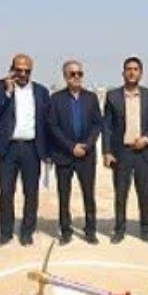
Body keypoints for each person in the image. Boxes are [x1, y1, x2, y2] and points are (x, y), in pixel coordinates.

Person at [0, 54, 51, 247]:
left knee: (31, 193)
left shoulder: (41, 91)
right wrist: (7, 92)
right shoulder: (0, 87)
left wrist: (48, 152)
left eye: (27, 71)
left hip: (32, 148)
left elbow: (46, 123)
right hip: (8, 149)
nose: (22, 74)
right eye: (19, 70)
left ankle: (27, 232)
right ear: (12, 69)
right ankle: (6, 232)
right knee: (6, 192)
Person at [47, 60, 103, 245]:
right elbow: (53, 127)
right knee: (64, 195)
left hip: (86, 155)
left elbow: (97, 124)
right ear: (65, 76)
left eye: (80, 73)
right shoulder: (56, 99)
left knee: (89, 194)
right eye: (72, 74)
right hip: (64, 155)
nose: (76, 77)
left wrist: (87, 145)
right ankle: (65, 230)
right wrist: (71, 147)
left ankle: (90, 230)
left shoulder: (91, 98)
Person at [102, 57, 148, 244]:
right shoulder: (112, 96)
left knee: (144, 192)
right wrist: (107, 151)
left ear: (141, 73)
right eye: (128, 69)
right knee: (121, 193)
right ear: (123, 73)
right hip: (121, 152)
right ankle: (119, 229)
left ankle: (145, 227)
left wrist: (146, 138)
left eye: (135, 69)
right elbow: (107, 126)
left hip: (143, 152)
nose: (132, 72)